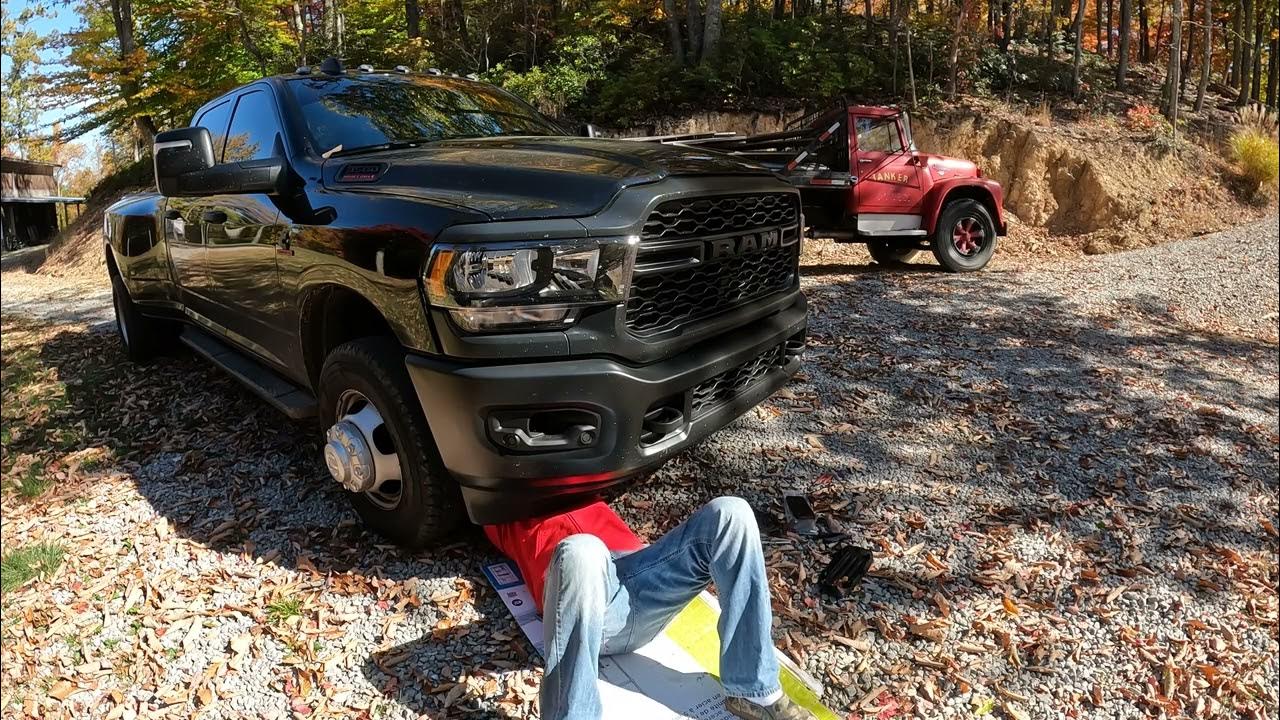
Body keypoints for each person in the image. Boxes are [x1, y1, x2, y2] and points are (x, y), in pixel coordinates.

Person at [484, 495, 816, 720]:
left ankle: (754, 692)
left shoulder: (580, 477)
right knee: (581, 550)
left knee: (732, 512)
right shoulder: (503, 506)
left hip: (643, 579)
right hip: (589, 600)